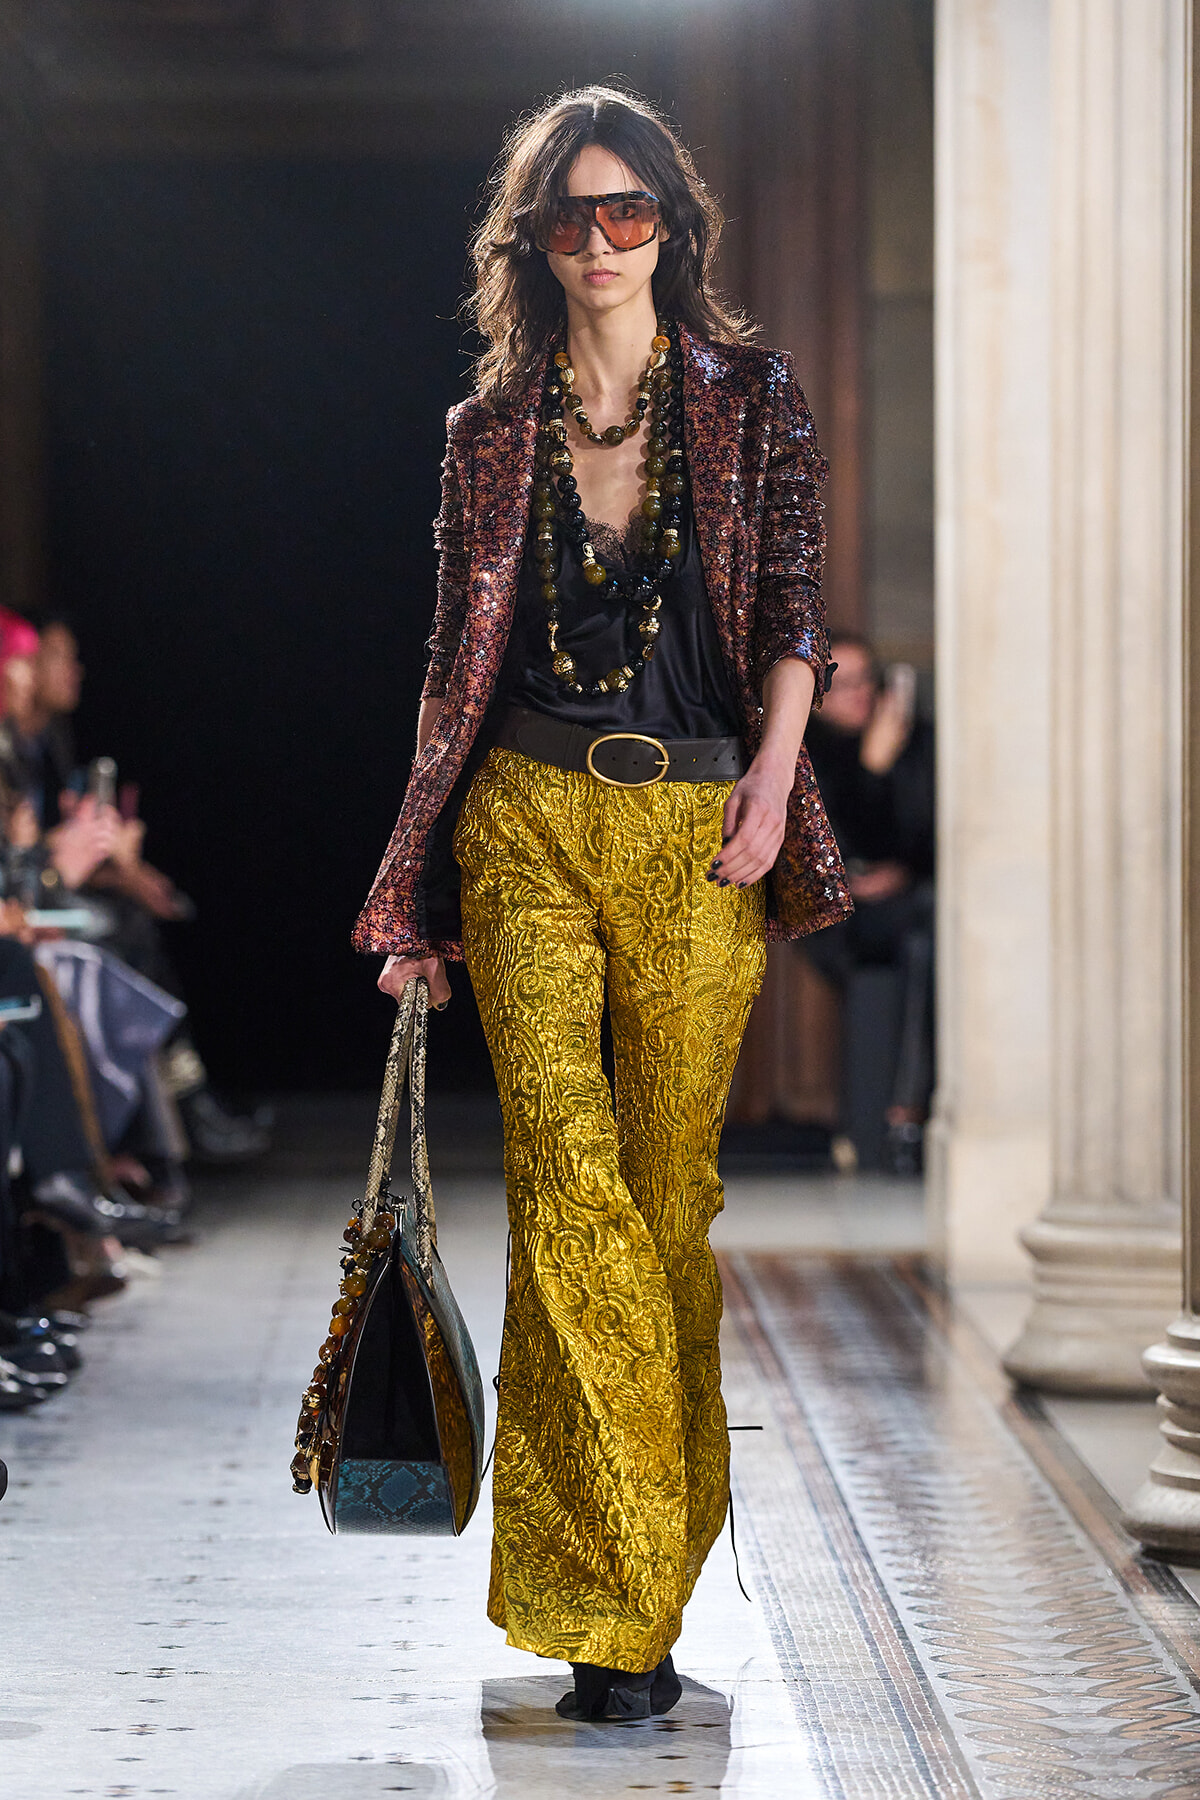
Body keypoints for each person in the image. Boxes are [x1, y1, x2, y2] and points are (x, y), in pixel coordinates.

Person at [354, 86, 851, 1723]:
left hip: (704, 827)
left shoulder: (754, 400)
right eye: (570, 216)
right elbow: (451, 669)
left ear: (672, 227)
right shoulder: (488, 431)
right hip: (527, 824)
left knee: (665, 1203)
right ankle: (613, 1614)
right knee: (567, 1195)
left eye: (628, 209)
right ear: (536, 243)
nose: (601, 240)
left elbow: (795, 609)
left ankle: (645, 1567)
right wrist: (418, 885)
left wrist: (774, 781)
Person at [802, 633, 935, 1170]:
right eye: (843, 683)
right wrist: (871, 769)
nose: (859, 693)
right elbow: (826, 852)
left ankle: (903, 1114)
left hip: (905, 903)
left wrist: (904, 870)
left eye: (867, 680)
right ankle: (899, 1116)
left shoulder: (913, 740)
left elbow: (928, 837)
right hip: (835, 914)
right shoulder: (803, 749)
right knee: (910, 939)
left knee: (929, 937)